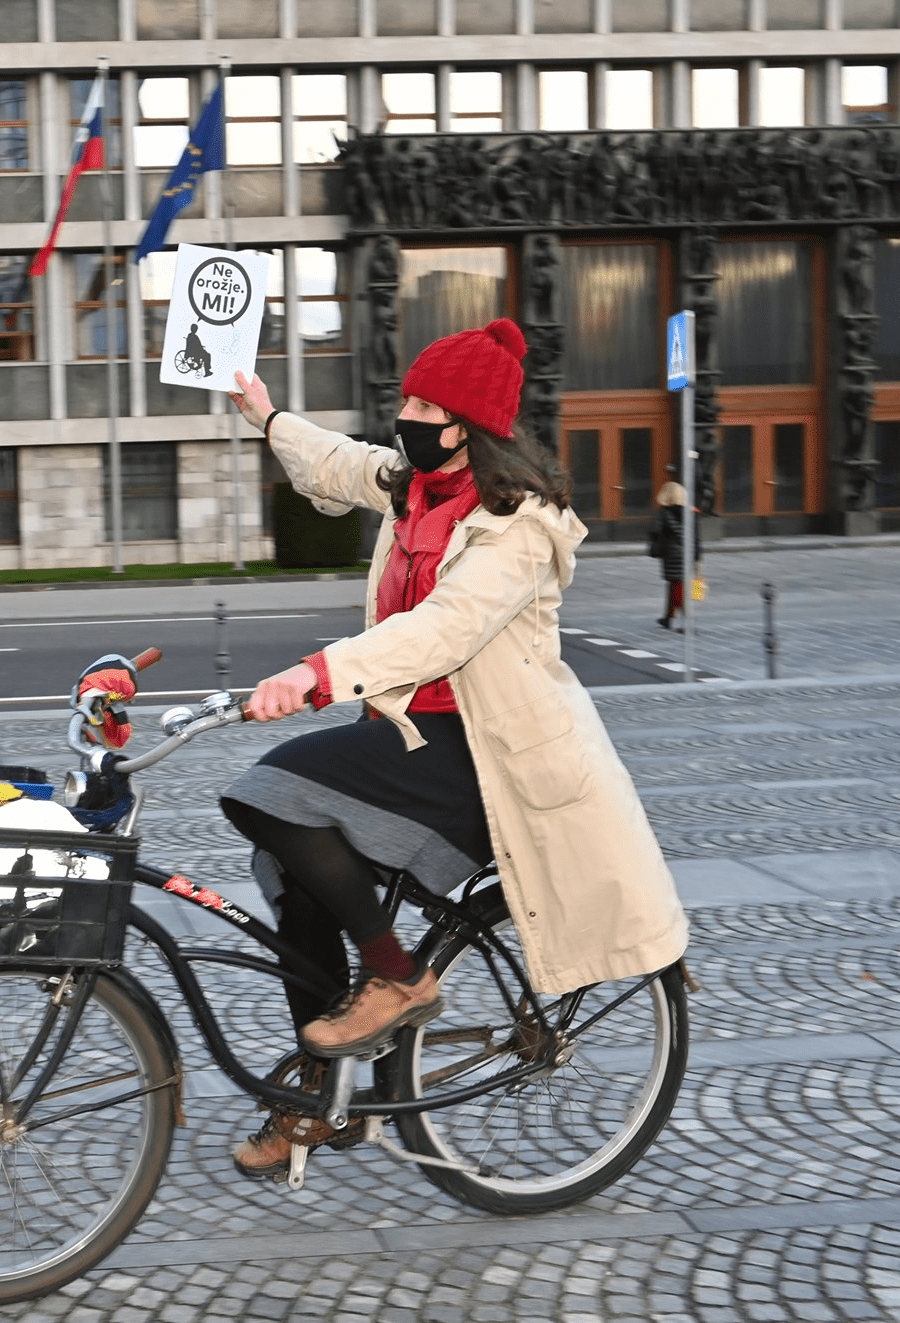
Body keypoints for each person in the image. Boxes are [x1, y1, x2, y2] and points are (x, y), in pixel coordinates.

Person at [210, 319, 688, 1179]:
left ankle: (396, 978)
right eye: (409, 400)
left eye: (426, 405)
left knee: (265, 792)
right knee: (295, 883)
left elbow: (446, 629)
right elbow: (342, 462)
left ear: (467, 424)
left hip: (490, 757)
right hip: (411, 736)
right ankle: (324, 1096)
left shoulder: (517, 528)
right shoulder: (417, 489)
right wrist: (268, 415)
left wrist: (319, 672)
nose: (407, 416)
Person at [647, 480, 696, 631]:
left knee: (676, 587)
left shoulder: (664, 513)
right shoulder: (690, 512)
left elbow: (655, 531)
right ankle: (669, 617)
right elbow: (696, 536)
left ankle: (685, 621)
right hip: (688, 554)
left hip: (672, 555)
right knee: (678, 586)